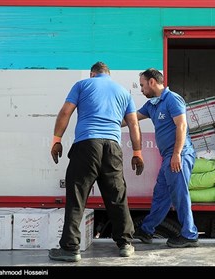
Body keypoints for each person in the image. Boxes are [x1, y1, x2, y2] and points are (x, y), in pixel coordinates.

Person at [49, 61, 144, 261]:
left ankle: (70, 249)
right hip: (112, 147)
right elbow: (133, 123)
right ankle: (125, 244)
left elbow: (65, 112)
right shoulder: (123, 92)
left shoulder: (82, 85)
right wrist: (137, 152)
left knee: (77, 196)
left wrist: (57, 140)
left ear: (93, 74)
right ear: (108, 75)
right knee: (117, 196)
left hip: (86, 145)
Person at [127, 68, 199, 248]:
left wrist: (176, 154)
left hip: (179, 155)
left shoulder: (172, 99)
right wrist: (109, 120)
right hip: (168, 157)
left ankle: (189, 235)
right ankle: (146, 229)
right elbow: (133, 118)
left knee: (180, 195)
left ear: (152, 82)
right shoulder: (152, 105)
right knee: (161, 195)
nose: (142, 90)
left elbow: (181, 126)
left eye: (143, 85)